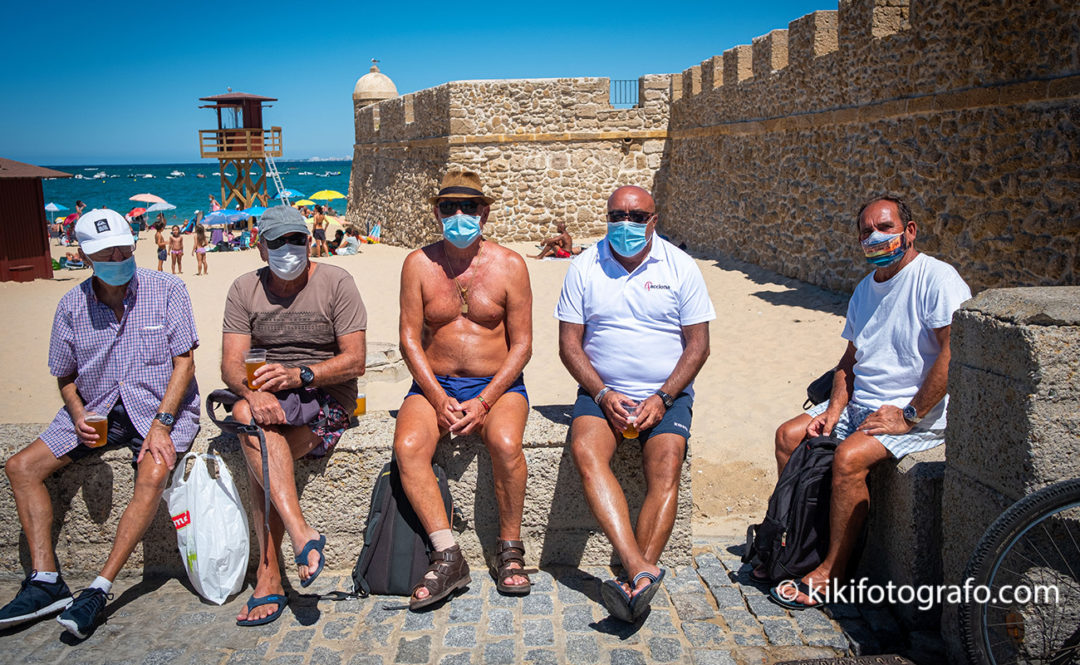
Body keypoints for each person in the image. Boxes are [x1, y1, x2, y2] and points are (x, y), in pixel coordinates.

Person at [0, 209, 200, 637]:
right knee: (20, 467)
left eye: (123, 248)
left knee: (153, 473)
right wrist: (76, 414)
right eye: (105, 252)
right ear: (85, 256)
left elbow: (184, 362)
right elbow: (65, 374)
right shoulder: (71, 305)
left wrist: (162, 424)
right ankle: (45, 581)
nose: (117, 256)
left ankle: (100, 586)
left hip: (159, 407)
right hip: (98, 407)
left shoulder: (167, 289)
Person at [766, 195, 971, 610]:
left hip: (913, 411)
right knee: (790, 436)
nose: (875, 237)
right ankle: (802, 541)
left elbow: (952, 354)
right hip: (861, 405)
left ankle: (833, 572)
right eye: (866, 232)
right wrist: (833, 411)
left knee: (848, 458)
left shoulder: (937, 278)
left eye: (885, 228)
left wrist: (910, 415)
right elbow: (849, 361)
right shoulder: (865, 288)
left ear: (909, 231)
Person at [556, 185, 714, 622]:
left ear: (654, 220)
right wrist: (603, 394)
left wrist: (663, 397)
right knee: (587, 453)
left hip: (667, 392)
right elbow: (569, 346)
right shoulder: (584, 267)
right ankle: (639, 568)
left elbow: (697, 346)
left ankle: (634, 581)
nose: (625, 224)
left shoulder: (681, 267)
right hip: (601, 391)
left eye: (637, 216)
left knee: (666, 465)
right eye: (617, 215)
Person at [220, 205, 367, 626]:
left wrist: (300, 374)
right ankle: (303, 535)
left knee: (260, 451)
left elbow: (355, 361)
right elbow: (231, 366)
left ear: (310, 240)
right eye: (279, 241)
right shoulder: (243, 289)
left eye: (297, 239)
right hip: (266, 396)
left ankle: (268, 575)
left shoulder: (337, 282)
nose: (290, 248)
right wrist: (252, 390)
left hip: (325, 396)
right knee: (249, 414)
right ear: (261, 247)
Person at [395, 170, 533, 610]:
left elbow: (524, 343)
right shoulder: (418, 263)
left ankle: (509, 550)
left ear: (484, 211)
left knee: (506, 442)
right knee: (409, 446)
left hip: (497, 384)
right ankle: (448, 554)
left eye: (469, 206)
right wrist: (436, 396)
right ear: (436, 212)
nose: (459, 215)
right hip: (434, 384)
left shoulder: (510, 265)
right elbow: (409, 338)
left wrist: (486, 399)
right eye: (449, 207)